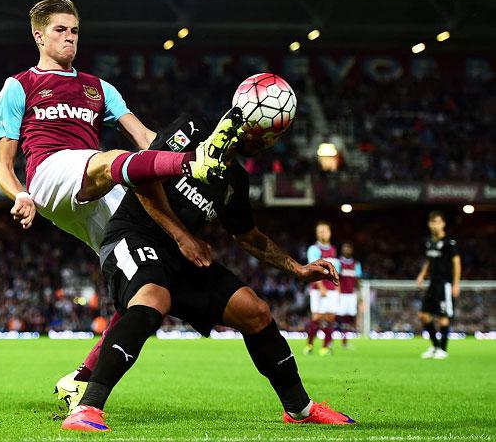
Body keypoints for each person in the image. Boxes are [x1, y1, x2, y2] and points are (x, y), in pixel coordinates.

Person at [58, 114, 355, 431]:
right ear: (251, 127)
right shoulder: (190, 131)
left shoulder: (235, 181)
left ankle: (300, 408)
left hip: (183, 256)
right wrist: (183, 236)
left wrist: (298, 269)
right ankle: (86, 407)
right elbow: (142, 179)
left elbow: (247, 235)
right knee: (151, 300)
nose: (271, 143)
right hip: (134, 236)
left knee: (254, 311)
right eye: (270, 135)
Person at [0, 0, 240, 260]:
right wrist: (20, 194)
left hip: (93, 181)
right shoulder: (19, 85)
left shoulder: (100, 88)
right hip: (49, 176)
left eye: (74, 31)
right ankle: (193, 162)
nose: (70, 37)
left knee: (148, 254)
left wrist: (198, 148)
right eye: (61, 30)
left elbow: (145, 137)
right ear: (39, 37)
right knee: (115, 157)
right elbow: (3, 167)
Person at [416, 211, 461, 360]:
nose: (435, 225)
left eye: (437, 222)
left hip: (445, 284)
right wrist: (422, 274)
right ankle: (435, 346)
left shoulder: (449, 242)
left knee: (443, 317)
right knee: (423, 315)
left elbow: (456, 263)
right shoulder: (430, 242)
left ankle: (443, 349)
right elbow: (429, 260)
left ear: (443, 223)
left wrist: (456, 284)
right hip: (432, 284)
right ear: (429, 224)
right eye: (432, 222)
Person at [304, 221, 340, 356]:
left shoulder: (333, 250)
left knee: (331, 317)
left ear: (329, 232)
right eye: (320, 231)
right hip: (318, 288)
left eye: (324, 230)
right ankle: (310, 344)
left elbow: (335, 270)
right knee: (317, 316)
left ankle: (326, 346)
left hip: (332, 288)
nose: (322, 233)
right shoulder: (314, 249)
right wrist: (321, 287)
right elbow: (313, 269)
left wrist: (338, 287)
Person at [336, 242, 362, 348]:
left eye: (348, 248)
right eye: (344, 248)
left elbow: (358, 281)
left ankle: (344, 341)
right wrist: (336, 292)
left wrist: (360, 297)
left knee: (348, 319)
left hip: (351, 295)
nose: (346, 250)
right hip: (341, 294)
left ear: (351, 250)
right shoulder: (338, 262)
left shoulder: (356, 264)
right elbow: (336, 278)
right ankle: (330, 339)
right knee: (337, 317)